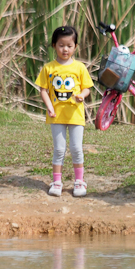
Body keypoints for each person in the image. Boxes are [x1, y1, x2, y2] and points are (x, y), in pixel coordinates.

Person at [35, 25, 94, 197]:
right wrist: (49, 106)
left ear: (75, 46)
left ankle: (79, 181)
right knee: (59, 149)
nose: (65, 49)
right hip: (56, 116)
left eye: (69, 45)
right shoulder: (49, 68)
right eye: (61, 45)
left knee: (76, 148)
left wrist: (82, 96)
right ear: (54, 45)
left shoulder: (80, 67)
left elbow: (87, 88)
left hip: (76, 115)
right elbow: (43, 90)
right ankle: (57, 181)